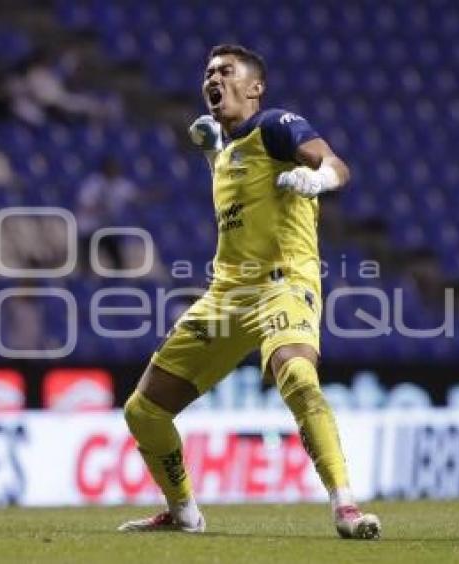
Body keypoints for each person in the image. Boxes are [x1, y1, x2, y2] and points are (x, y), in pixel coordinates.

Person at [118, 45, 381, 539]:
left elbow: (337, 164)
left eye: (226, 71)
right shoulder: (226, 150)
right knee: (143, 411)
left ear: (255, 87)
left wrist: (317, 176)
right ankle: (183, 513)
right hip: (225, 296)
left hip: (282, 284)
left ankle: (346, 507)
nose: (213, 78)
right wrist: (210, 154)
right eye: (208, 72)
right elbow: (242, 184)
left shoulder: (277, 125)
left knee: (299, 377)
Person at [5, 48, 113, 125]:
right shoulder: (29, 77)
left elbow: (65, 97)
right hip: (37, 106)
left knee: (77, 103)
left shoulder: (47, 75)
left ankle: (99, 110)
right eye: (42, 62)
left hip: (52, 103)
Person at [76, 157, 137, 273]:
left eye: (116, 168)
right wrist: (102, 208)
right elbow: (84, 207)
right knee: (86, 261)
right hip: (89, 229)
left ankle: (119, 280)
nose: (114, 170)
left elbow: (136, 197)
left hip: (106, 228)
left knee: (117, 259)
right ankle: (84, 279)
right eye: (111, 168)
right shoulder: (93, 183)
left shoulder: (120, 184)